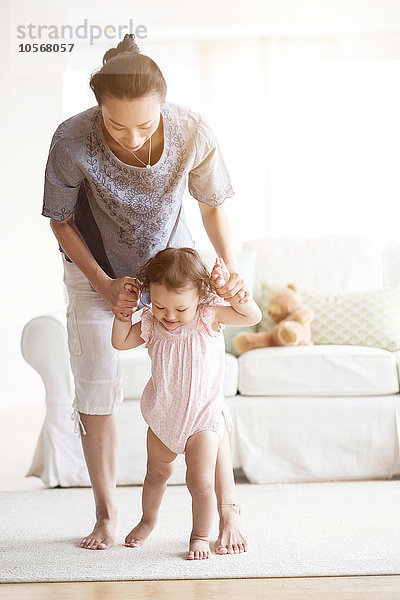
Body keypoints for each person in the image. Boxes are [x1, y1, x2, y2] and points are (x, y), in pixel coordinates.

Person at [42, 33, 249, 553]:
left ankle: (228, 514)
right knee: (96, 382)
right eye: (116, 124)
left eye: (145, 123)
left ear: (164, 104)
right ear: (98, 110)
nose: (132, 138)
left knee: (204, 389)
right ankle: (108, 515)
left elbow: (212, 206)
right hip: (96, 266)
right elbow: (62, 222)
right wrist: (105, 285)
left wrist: (228, 270)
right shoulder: (71, 140)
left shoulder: (191, 130)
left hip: (173, 268)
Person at [111, 248, 262, 559]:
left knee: (201, 482)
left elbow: (251, 316)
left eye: (180, 308)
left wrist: (231, 291)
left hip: (201, 420)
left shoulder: (209, 315)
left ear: (199, 297)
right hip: (163, 417)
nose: (169, 315)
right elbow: (121, 342)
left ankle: (199, 536)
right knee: (155, 474)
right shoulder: (152, 323)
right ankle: (147, 520)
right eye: (160, 305)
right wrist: (123, 316)